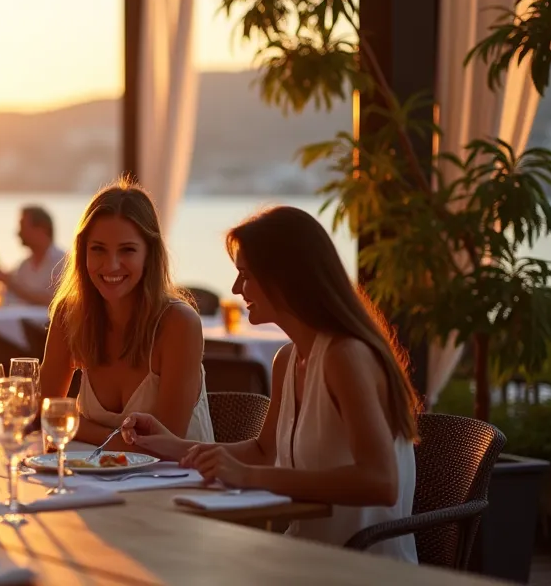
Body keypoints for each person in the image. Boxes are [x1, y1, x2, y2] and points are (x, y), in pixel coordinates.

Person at [120, 206, 421, 562]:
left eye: (245, 275)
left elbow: (379, 482)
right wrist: (173, 445)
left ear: (285, 277)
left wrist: (250, 476)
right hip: (304, 556)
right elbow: (264, 452)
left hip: (360, 568)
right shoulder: (288, 359)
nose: (235, 288)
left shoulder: (345, 357)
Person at [38, 177, 213, 453]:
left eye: (127, 250)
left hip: (178, 486)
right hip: (94, 482)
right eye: (98, 250)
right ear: (83, 252)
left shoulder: (179, 323)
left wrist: (80, 427)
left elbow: (164, 444)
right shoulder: (70, 315)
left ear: (149, 254)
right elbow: (46, 414)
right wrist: (118, 437)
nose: (112, 265)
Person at [3, 205, 66, 306]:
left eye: (23, 226)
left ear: (42, 229)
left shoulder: (63, 262)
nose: (19, 233)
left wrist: (13, 286)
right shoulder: (24, 266)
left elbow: (56, 301)